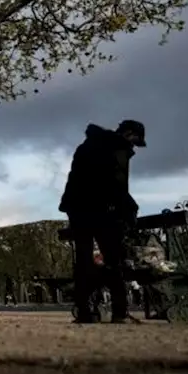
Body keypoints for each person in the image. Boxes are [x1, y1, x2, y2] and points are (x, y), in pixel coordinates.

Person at [59, 119, 146, 324]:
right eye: (135, 141)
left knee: (83, 261)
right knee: (113, 260)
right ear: (129, 134)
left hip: (78, 208)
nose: (134, 146)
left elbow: (75, 178)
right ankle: (119, 311)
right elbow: (116, 184)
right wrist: (130, 209)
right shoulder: (117, 148)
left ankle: (85, 311)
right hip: (103, 210)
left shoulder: (87, 145)